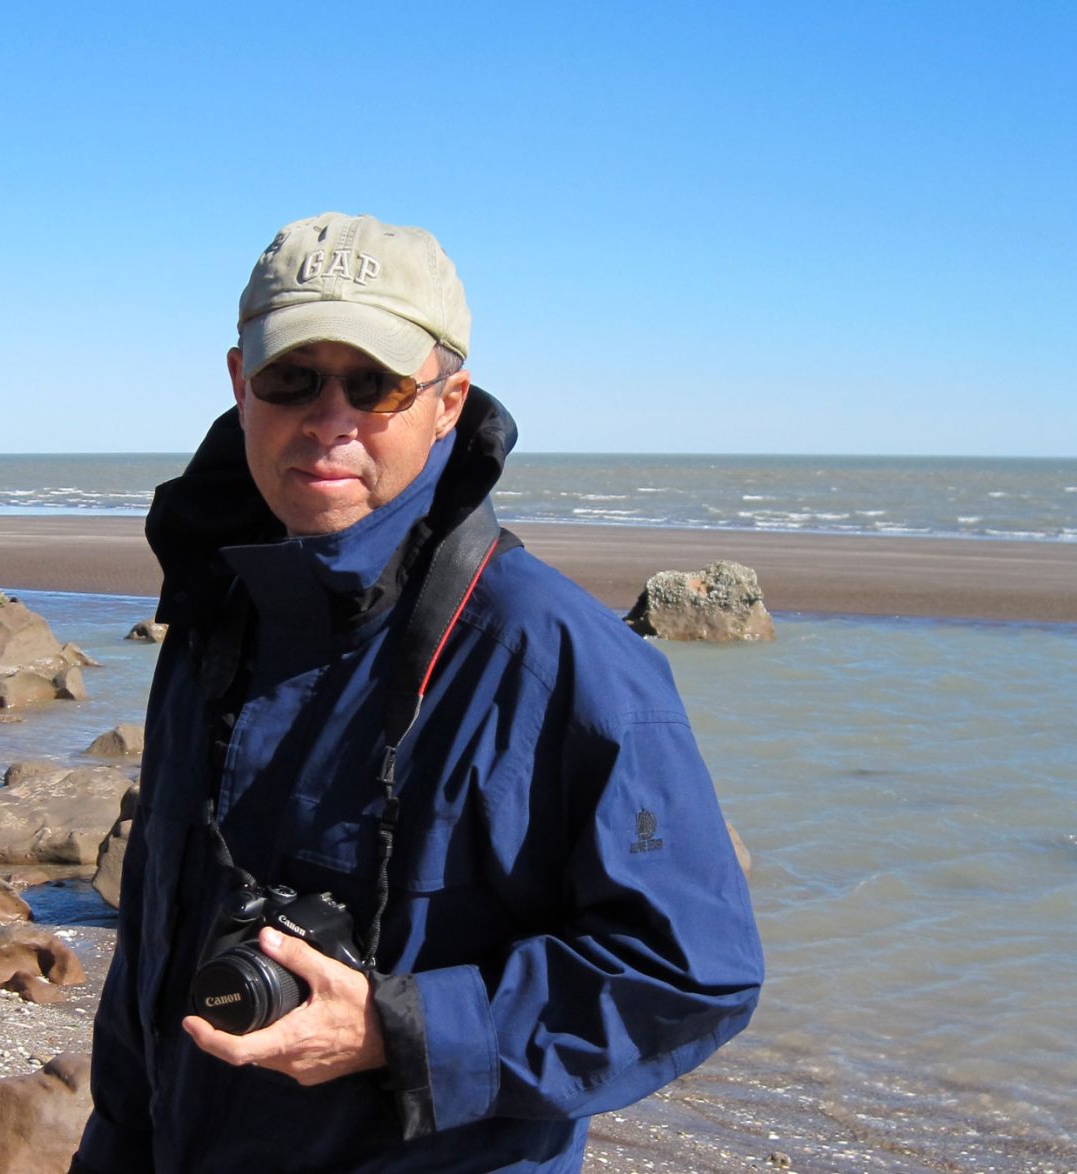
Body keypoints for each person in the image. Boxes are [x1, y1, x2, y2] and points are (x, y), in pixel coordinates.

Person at [73, 212, 763, 1172]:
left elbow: (690, 974)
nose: (330, 418)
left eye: (376, 384)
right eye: (292, 377)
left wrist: (394, 1032)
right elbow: (151, 945)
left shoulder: (552, 654)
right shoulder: (214, 613)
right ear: (239, 383)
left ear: (448, 402)